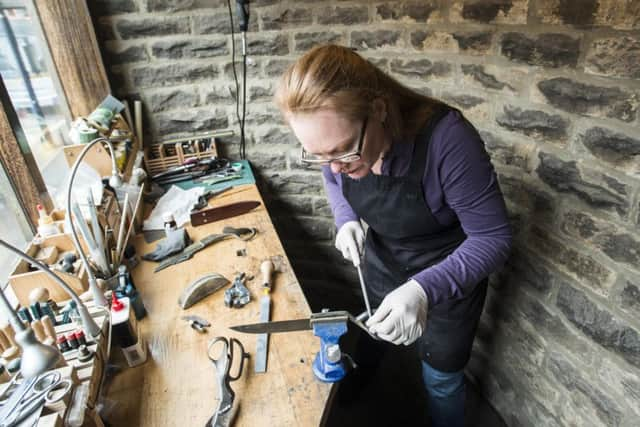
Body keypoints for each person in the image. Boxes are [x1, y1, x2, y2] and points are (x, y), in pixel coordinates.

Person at [275, 45, 512, 427]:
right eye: (318, 155)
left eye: (344, 151)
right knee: (372, 342)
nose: (335, 167)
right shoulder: (334, 152)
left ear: (379, 110)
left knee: (441, 379)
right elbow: (330, 172)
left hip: (451, 275)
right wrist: (345, 217)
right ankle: (360, 395)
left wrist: (421, 290)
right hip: (384, 263)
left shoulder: (448, 139)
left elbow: (494, 238)